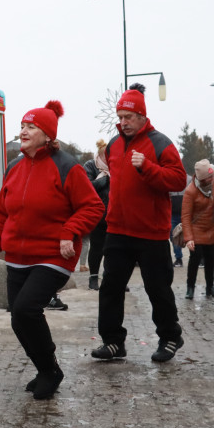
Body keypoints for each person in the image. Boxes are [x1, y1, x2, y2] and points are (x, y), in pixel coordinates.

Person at [0, 101, 104, 399]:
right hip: (19, 257)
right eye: (22, 125)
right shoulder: (14, 167)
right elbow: (2, 212)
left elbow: (93, 207)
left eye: (31, 126)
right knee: (18, 317)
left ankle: (51, 371)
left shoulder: (67, 167)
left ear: (47, 134)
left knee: (27, 309)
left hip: (53, 256)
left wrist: (69, 232)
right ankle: (45, 368)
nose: (23, 131)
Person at [91, 83, 188, 363]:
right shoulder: (114, 144)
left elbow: (178, 180)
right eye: (119, 117)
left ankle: (170, 337)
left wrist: (147, 166)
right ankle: (113, 342)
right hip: (118, 230)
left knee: (157, 289)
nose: (123, 122)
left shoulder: (160, 143)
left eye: (128, 117)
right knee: (110, 289)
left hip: (151, 233)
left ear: (142, 117)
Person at [182, 160, 214, 300]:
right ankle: (190, 287)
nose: (212, 179)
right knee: (195, 259)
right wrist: (188, 238)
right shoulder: (190, 191)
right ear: (201, 178)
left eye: (212, 176)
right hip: (196, 229)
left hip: (210, 228)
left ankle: (210, 286)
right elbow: (185, 216)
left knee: (210, 259)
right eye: (209, 178)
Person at [82, 138, 111, 291]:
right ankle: (93, 278)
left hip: (115, 215)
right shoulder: (90, 165)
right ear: (100, 155)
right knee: (97, 248)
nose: (109, 158)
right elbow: (85, 186)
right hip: (97, 214)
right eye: (106, 155)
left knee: (113, 249)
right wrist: (103, 180)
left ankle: (111, 278)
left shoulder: (116, 166)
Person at [170, 186, 184, 267]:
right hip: (172, 214)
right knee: (174, 236)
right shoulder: (169, 179)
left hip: (185, 213)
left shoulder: (189, 180)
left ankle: (196, 257)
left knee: (191, 236)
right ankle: (178, 258)